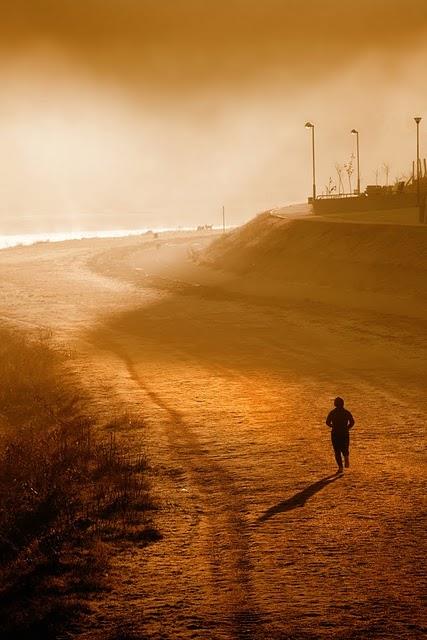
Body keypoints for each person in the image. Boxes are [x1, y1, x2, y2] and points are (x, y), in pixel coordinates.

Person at [326, 397, 355, 473]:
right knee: (345, 446)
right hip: (344, 432)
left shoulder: (332, 412)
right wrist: (347, 428)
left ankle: (340, 467)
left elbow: (327, 422)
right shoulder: (346, 412)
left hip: (335, 433)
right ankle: (346, 456)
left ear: (335, 404)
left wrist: (333, 426)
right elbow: (352, 422)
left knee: (337, 450)